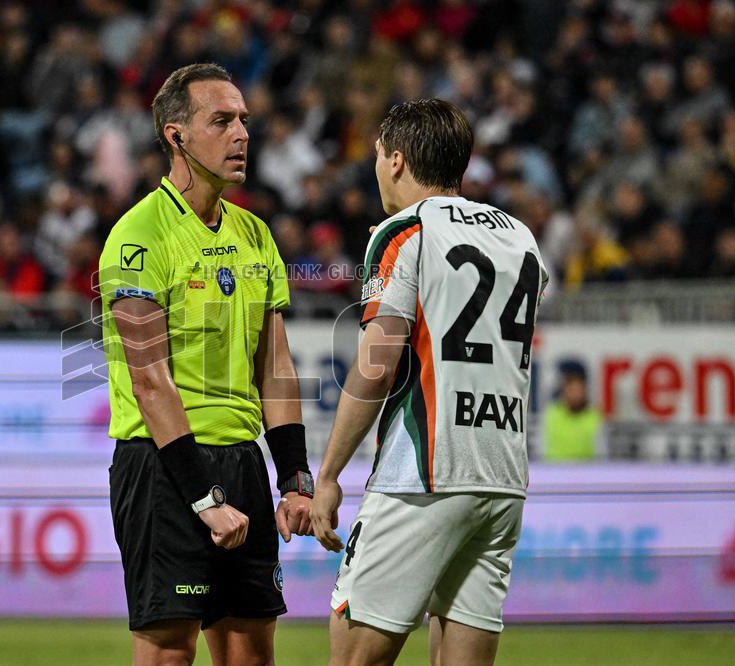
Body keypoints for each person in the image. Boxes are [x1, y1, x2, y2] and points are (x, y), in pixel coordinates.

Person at [310, 100, 548, 666]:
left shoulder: (404, 231)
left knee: (353, 659)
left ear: (395, 160)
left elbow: (376, 365)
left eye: (377, 156)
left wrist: (329, 473)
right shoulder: (520, 237)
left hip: (423, 474)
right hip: (501, 474)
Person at [97, 63, 314, 666]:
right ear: (177, 136)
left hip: (242, 459)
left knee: (252, 656)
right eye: (221, 121)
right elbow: (150, 381)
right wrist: (203, 497)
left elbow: (275, 368)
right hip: (164, 468)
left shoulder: (256, 235)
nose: (241, 134)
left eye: (243, 120)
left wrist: (294, 478)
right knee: (170, 653)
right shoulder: (139, 236)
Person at [543, 360, 603, 461]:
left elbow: (601, 455)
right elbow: (541, 451)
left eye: (578, 389)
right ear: (564, 390)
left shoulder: (595, 417)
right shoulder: (551, 415)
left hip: (587, 469)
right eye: (571, 389)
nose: (575, 394)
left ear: (584, 390)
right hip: (554, 468)